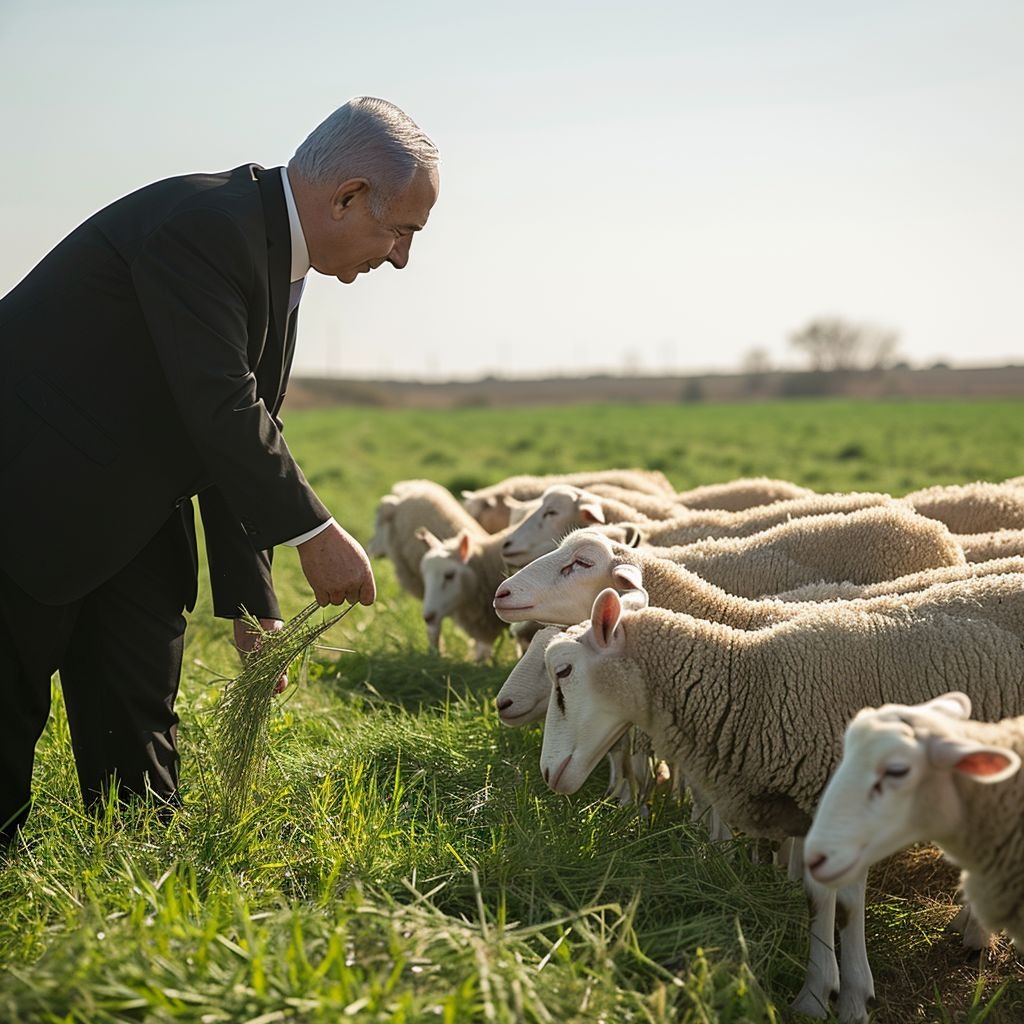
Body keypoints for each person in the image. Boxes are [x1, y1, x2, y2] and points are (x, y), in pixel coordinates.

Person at [0, 96, 440, 845]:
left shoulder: (277, 253)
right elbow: (222, 406)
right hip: (26, 493)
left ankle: (138, 887)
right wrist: (315, 532)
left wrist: (251, 602)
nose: (400, 255)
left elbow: (243, 426)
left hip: (130, 507)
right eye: (400, 229)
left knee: (139, 727)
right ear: (347, 197)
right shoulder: (204, 226)